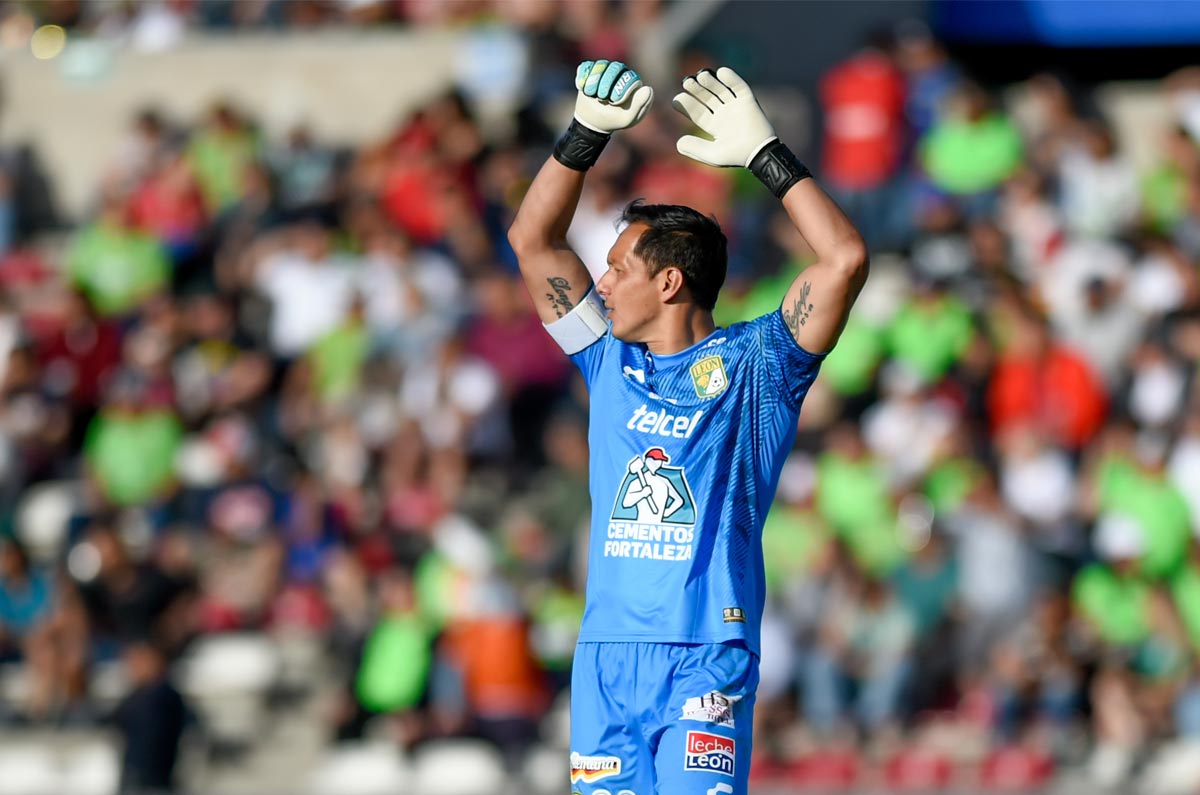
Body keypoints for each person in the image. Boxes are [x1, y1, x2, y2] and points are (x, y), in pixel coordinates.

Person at [507, 59, 868, 795]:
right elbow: (532, 239)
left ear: (668, 282)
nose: (599, 281)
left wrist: (766, 156)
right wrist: (584, 134)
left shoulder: (758, 366)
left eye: (616, 268)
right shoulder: (606, 360)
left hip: (705, 653)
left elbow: (844, 258)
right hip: (606, 656)